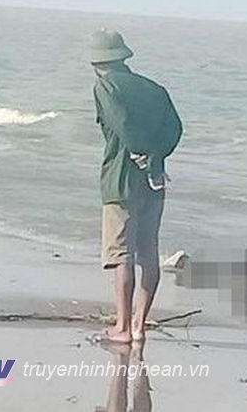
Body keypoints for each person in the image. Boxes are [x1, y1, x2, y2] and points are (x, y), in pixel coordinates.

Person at [87, 28, 182, 343]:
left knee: (122, 255)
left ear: (96, 62)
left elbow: (122, 124)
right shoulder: (155, 89)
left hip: (120, 180)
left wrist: (138, 149)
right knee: (148, 252)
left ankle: (123, 328)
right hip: (154, 180)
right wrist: (155, 156)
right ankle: (140, 326)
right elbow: (175, 129)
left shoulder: (105, 86)